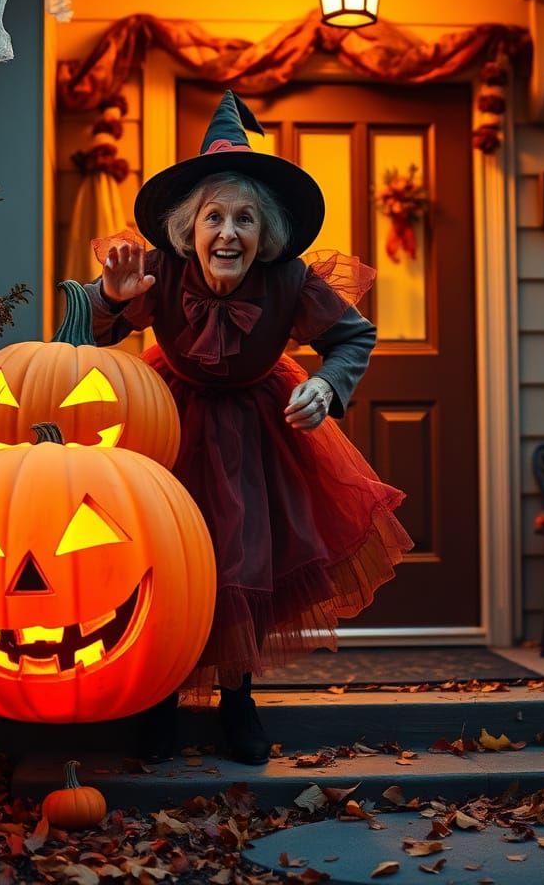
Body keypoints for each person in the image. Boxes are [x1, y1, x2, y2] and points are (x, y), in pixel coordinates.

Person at [82, 91, 414, 765]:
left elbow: (354, 338)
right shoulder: (160, 271)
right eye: (213, 218)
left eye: (244, 219)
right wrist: (110, 302)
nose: (228, 233)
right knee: (165, 557)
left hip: (258, 437)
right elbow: (86, 327)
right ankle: (160, 696)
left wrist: (325, 384)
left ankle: (237, 697)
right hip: (168, 430)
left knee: (242, 560)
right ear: (187, 229)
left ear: (264, 234)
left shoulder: (290, 282)